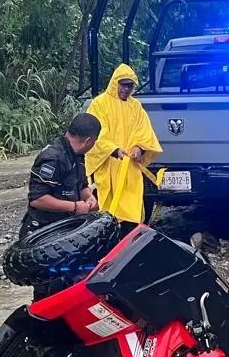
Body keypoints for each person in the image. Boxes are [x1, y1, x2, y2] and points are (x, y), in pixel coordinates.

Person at [85, 64, 163, 233]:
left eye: (130, 85)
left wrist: (138, 148)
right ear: (115, 83)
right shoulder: (99, 104)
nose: (126, 89)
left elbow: (144, 132)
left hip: (130, 168)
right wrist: (114, 150)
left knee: (131, 209)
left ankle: (129, 241)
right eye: (123, 84)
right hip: (108, 166)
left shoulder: (136, 107)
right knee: (106, 209)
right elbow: (95, 133)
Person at [21, 112, 101, 240]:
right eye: (94, 142)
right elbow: (37, 199)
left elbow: (81, 184)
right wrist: (75, 207)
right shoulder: (52, 157)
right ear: (89, 141)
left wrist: (89, 197)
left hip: (65, 225)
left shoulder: (78, 155)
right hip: (42, 229)